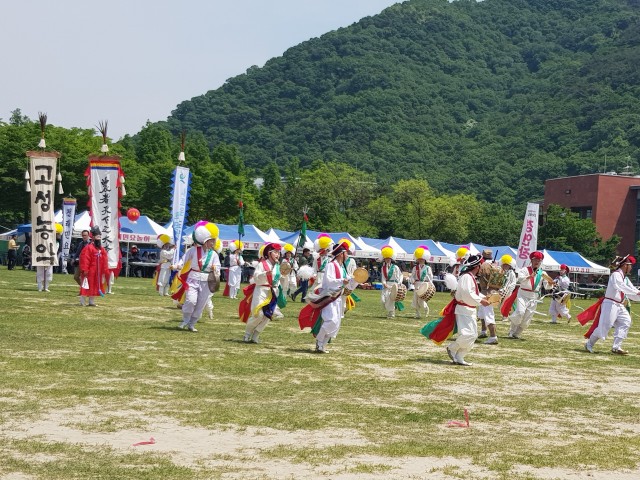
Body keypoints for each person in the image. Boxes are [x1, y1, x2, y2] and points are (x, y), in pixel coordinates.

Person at [583, 255, 640, 355]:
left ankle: (616, 347)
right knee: (605, 326)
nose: (631, 268)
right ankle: (589, 344)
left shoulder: (625, 278)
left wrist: (637, 293)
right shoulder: (616, 275)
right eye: (630, 265)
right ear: (625, 265)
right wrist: (636, 293)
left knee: (626, 321)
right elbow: (620, 286)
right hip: (610, 303)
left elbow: (632, 290)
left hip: (619, 305)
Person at [171, 222, 220, 332]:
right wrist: (177, 266)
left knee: (201, 304)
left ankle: (192, 323)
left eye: (214, 241)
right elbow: (183, 259)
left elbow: (218, 266)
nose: (213, 243)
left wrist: (215, 268)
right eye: (211, 241)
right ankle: (185, 320)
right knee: (191, 301)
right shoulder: (193, 250)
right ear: (205, 241)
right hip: (193, 279)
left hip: (206, 281)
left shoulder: (214, 254)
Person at [312, 242, 356, 353]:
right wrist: (342, 281)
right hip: (329, 297)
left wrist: (357, 281)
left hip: (338, 298)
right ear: (341, 253)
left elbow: (348, 282)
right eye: (346, 253)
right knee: (330, 320)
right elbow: (329, 280)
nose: (347, 255)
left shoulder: (342, 268)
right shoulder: (331, 265)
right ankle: (319, 339)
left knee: (336, 323)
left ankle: (322, 345)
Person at [446, 254, 490, 366]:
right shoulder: (466, 277)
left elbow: (473, 293)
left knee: (473, 335)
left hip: (469, 309)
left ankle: (460, 356)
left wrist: (483, 297)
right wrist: (481, 300)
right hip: (463, 309)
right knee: (467, 334)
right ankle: (452, 348)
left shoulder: (470, 277)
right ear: (477, 266)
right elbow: (467, 294)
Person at [239, 243, 282, 344]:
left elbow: (279, 279)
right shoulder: (262, 264)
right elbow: (256, 278)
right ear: (269, 253)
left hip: (273, 292)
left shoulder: (278, 266)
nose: (278, 255)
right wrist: (265, 274)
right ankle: (247, 333)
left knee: (268, 315)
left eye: (279, 253)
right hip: (261, 290)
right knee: (258, 314)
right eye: (275, 252)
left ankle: (256, 335)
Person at [507, 251, 553, 339]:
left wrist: (551, 283)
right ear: (531, 260)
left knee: (527, 316)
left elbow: (547, 287)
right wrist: (529, 276)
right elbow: (520, 279)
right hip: (523, 294)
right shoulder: (525, 270)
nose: (537, 262)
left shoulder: (542, 273)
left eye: (539, 260)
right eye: (535, 260)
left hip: (534, 296)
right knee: (520, 312)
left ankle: (517, 333)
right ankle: (511, 331)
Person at [477, 249, 505, 341]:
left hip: (485, 292)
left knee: (488, 314)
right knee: (482, 313)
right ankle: (484, 331)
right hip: (494, 292)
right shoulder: (497, 265)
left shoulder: (483, 265)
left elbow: (479, 276)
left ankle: (493, 336)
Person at [79, 226, 109, 306]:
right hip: (89, 271)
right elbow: (85, 259)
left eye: (100, 237)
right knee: (86, 285)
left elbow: (104, 260)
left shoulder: (101, 249)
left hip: (97, 272)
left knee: (95, 286)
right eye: (97, 237)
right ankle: (82, 300)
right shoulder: (89, 248)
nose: (98, 238)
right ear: (93, 237)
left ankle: (91, 301)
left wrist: (104, 270)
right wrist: (85, 269)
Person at [410, 246, 434, 319]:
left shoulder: (428, 268)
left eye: (422, 259)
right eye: (419, 259)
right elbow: (412, 276)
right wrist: (412, 281)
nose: (420, 260)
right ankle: (417, 313)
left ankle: (426, 308)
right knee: (415, 299)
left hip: (424, 285)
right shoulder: (415, 268)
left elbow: (431, 277)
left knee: (421, 300)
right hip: (417, 284)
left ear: (425, 259)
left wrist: (430, 284)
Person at [380, 245, 403, 318]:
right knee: (383, 300)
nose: (387, 260)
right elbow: (383, 277)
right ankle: (391, 310)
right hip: (387, 284)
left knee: (391, 299)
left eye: (389, 258)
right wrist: (384, 283)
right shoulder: (383, 268)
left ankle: (391, 313)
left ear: (391, 258)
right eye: (386, 258)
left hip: (394, 285)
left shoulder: (395, 267)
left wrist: (399, 283)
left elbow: (401, 275)